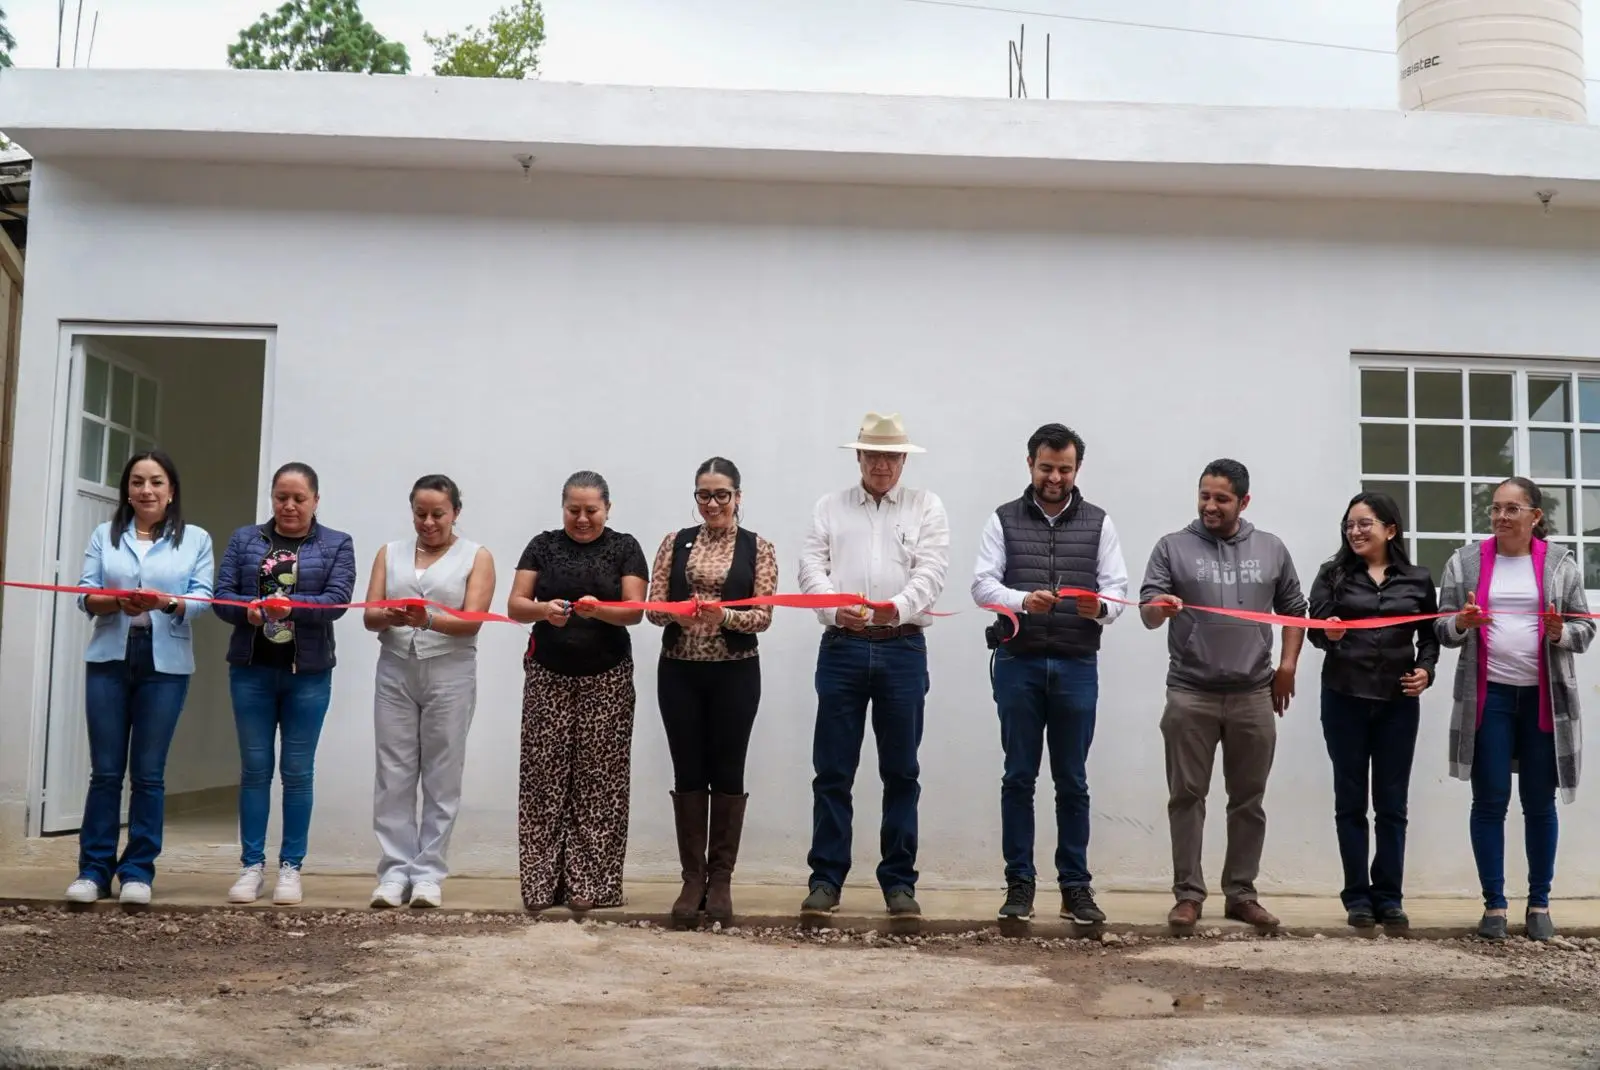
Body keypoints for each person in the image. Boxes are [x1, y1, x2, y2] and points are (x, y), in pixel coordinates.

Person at [1139, 458, 1306, 933]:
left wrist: (1287, 666)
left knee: (1248, 799)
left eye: (1221, 499)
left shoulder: (1271, 548)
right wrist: (1160, 607)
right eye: (1204, 496)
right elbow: (1147, 613)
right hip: (1190, 692)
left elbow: (1295, 611)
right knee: (1186, 796)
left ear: (1243, 502)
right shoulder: (1172, 547)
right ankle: (1188, 895)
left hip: (1254, 693)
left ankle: (1241, 893)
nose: (1210, 506)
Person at [970, 423, 1128, 925]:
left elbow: (1117, 592)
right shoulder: (1003, 519)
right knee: (1018, 777)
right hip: (1019, 663)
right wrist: (1021, 601)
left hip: (1078, 664)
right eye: (1046, 467)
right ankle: (1019, 885)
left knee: (1073, 781)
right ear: (1030, 465)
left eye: (1064, 468)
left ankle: (1075, 887)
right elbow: (981, 586)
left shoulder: (1100, 523)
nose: (1054, 477)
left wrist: (1098, 609)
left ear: (1077, 468)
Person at [796, 412, 951, 919]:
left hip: (902, 647)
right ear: (858, 457)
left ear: (903, 460)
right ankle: (826, 878)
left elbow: (932, 572)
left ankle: (899, 883)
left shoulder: (927, 507)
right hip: (841, 645)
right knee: (833, 770)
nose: (882, 464)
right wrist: (828, 606)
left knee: (902, 770)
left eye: (891, 456)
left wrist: (897, 608)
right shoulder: (830, 507)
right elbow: (810, 567)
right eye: (873, 455)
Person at [1434, 476, 1594, 942]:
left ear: (1535, 516)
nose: (1501, 517)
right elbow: (1442, 626)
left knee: (1539, 803)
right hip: (1490, 698)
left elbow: (1584, 630)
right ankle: (1495, 906)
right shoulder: (1465, 561)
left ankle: (1540, 903)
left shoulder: (1560, 564)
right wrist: (1461, 623)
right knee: (1489, 801)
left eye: (1512, 509)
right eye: (1496, 509)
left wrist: (1560, 632)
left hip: (1545, 701)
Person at [65, 451, 214, 906]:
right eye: (136, 482)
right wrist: (117, 603)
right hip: (110, 657)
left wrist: (163, 603)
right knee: (106, 772)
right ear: (126, 490)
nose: (145, 490)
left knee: (148, 775)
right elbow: (85, 596)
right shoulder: (104, 535)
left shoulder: (195, 539)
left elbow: (202, 598)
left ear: (171, 491)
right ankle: (93, 870)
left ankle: (137, 872)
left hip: (164, 663)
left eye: (155, 482)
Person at [213, 461, 357, 906]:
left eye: (299, 498)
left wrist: (288, 606)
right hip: (251, 670)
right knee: (255, 770)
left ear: (316, 500)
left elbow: (337, 601)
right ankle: (251, 866)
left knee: (297, 773)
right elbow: (221, 596)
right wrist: (248, 610)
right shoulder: (244, 539)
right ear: (272, 498)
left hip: (308, 675)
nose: (289, 506)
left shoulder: (337, 543)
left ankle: (291, 867)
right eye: (281, 497)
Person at [645, 457, 779, 928]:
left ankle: (720, 879)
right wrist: (677, 614)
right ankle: (691, 878)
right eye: (704, 494)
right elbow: (653, 607)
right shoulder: (673, 543)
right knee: (687, 769)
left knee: (727, 769)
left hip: (735, 672)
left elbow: (762, 615)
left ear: (738, 497)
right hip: (679, 670)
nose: (713, 503)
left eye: (722, 494)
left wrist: (723, 616)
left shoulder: (758, 548)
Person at [507, 471, 649, 911]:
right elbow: (515, 606)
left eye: (592, 510)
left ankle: (592, 884)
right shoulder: (542, 545)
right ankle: (540, 885)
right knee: (542, 780)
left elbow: (634, 612)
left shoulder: (625, 547)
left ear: (608, 508)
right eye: (574, 510)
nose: (582, 518)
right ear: (562, 508)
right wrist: (543, 611)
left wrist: (598, 609)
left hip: (607, 677)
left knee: (599, 782)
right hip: (547, 674)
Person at [362, 474, 496, 910]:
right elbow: (370, 614)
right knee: (394, 772)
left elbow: (473, 619)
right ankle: (394, 871)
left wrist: (429, 620)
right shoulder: (390, 553)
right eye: (420, 513)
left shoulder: (477, 556)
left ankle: (428, 873)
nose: (429, 522)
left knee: (441, 772)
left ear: (456, 510)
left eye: (438, 513)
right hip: (396, 669)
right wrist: (392, 616)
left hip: (450, 670)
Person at [1307, 491, 1439, 930]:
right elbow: (1315, 632)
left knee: (1392, 805)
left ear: (1390, 529)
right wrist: (1331, 635)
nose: (1355, 531)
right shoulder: (1332, 576)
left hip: (1398, 704)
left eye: (1365, 523)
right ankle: (1357, 898)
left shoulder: (1417, 580)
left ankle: (1389, 896)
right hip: (1344, 699)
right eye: (1350, 525)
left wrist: (1425, 671)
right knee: (1350, 801)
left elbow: (1430, 637)